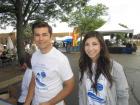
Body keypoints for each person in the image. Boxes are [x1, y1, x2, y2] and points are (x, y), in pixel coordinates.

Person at [24, 21, 74, 105]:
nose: (40, 39)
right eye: (37, 35)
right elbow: (34, 80)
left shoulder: (60, 59)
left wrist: (50, 103)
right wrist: (27, 102)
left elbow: (70, 85)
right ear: (34, 37)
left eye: (44, 35)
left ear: (51, 36)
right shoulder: (34, 56)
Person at [79, 31, 129, 105]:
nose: (90, 48)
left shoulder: (115, 67)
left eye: (94, 44)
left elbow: (123, 95)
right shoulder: (83, 66)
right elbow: (81, 92)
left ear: (101, 46)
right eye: (87, 44)